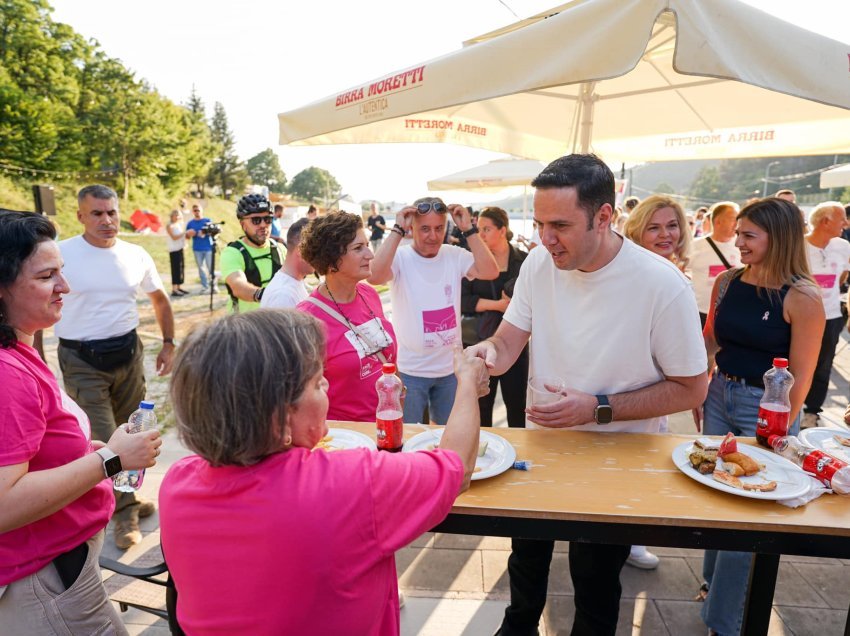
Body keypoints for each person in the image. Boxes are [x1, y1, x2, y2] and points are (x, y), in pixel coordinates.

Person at [465, 154, 707, 636]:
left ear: (603, 216)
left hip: (617, 459)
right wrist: (484, 355)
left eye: (559, 224)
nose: (545, 238)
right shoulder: (538, 262)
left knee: (596, 581)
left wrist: (598, 408)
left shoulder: (663, 284)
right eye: (537, 223)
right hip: (542, 448)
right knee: (526, 558)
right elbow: (511, 340)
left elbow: (692, 387)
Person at [159, 309, 490, 634]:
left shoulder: (177, 483)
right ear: (280, 417)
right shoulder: (351, 482)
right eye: (317, 383)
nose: (327, 386)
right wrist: (466, 384)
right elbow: (456, 466)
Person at [0, 210, 161, 635]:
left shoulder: (19, 355)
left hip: (54, 572)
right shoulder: (8, 373)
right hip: (46, 581)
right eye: (46, 276)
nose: (64, 287)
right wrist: (110, 459)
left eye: (62, 272)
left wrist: (87, 452)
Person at [699, 197, 824, 636]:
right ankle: (712, 584)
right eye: (739, 233)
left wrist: (782, 430)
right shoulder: (728, 281)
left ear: (780, 238)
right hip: (719, 393)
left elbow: (802, 378)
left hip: (765, 406)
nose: (738, 242)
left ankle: (723, 621)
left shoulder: (804, 297)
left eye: (749, 235)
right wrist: (698, 386)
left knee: (747, 509)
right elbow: (712, 339)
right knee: (714, 491)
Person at [51, 185, 174, 550]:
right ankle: (121, 514)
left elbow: (159, 298)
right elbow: (42, 300)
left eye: (112, 213)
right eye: (96, 214)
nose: (107, 221)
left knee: (135, 435)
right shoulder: (62, 254)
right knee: (106, 440)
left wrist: (168, 342)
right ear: (80, 216)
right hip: (81, 359)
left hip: (128, 353)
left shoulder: (135, 254)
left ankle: (126, 500)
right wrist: (37, 359)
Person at [369, 197, 498, 426]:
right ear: (413, 228)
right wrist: (397, 230)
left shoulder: (453, 255)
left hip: (450, 368)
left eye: (439, 228)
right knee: (407, 435)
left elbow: (490, 271)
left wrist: (469, 229)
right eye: (425, 229)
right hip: (411, 370)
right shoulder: (401, 257)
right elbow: (375, 276)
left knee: (450, 434)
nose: (433, 236)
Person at [297, 212, 397, 421]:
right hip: (345, 438)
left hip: (388, 424)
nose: (370, 254)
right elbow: (300, 396)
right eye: (358, 248)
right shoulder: (306, 319)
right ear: (331, 260)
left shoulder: (369, 294)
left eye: (367, 245)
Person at [460, 206, 528, 427]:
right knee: (481, 407)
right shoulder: (473, 261)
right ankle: (484, 455)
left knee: (517, 405)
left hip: (516, 344)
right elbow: (464, 301)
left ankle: (518, 453)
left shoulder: (524, 261)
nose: (480, 235)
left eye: (486, 229)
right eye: (478, 229)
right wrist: (499, 305)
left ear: (502, 230)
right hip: (479, 341)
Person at [801, 201, 850, 429]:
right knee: (795, 364)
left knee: (823, 366)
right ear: (826, 221)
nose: (846, 223)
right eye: (842, 219)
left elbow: (843, 275)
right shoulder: (798, 246)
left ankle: (812, 412)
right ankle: (790, 407)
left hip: (830, 316)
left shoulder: (842, 246)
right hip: (800, 318)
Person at [221, 193, 285, 313]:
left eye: (268, 219)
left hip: (276, 323)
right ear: (243, 224)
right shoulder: (232, 253)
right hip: (244, 326)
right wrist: (263, 295)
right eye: (256, 220)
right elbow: (238, 286)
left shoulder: (280, 249)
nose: (263, 225)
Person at [689, 202, 741, 328]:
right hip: (700, 313)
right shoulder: (694, 246)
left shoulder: (742, 246)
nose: (737, 224)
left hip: (732, 312)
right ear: (718, 222)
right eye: (734, 219)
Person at [623, 194, 691, 273]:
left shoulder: (681, 276)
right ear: (636, 233)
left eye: (672, 225)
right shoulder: (629, 275)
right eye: (654, 228)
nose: (665, 234)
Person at [260, 218, 313, 309]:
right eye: (317, 250)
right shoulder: (283, 296)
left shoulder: (292, 283)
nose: (321, 256)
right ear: (301, 251)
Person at [184, 203, 214, 292]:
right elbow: (187, 237)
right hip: (197, 249)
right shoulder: (190, 223)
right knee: (201, 269)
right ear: (193, 212)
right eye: (195, 210)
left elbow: (214, 232)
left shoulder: (208, 220)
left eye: (198, 210)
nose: (197, 212)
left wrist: (205, 232)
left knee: (210, 268)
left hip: (208, 248)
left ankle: (214, 286)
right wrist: (189, 234)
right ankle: (205, 287)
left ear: (202, 210)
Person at [166, 209, 188, 297]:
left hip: (180, 248)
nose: (178, 217)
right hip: (173, 250)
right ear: (172, 216)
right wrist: (184, 233)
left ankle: (179, 287)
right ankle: (174, 289)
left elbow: (182, 236)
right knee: (175, 269)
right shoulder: (169, 226)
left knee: (181, 268)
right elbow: (174, 237)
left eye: (179, 215)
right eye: (176, 215)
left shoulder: (179, 225)